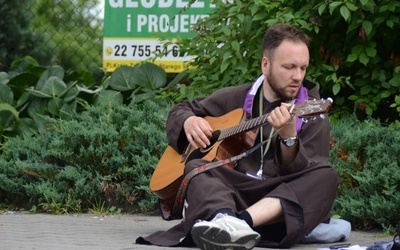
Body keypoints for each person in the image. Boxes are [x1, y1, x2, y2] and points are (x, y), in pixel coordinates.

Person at [136, 23, 338, 249]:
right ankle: (224, 218)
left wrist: (289, 139)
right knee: (196, 168)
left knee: (326, 176)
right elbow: (181, 109)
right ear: (265, 64)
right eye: (289, 67)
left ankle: (236, 225)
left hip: (278, 201)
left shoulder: (312, 112)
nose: (297, 76)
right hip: (234, 192)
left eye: (303, 68)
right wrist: (188, 121)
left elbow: (306, 172)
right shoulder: (238, 96)